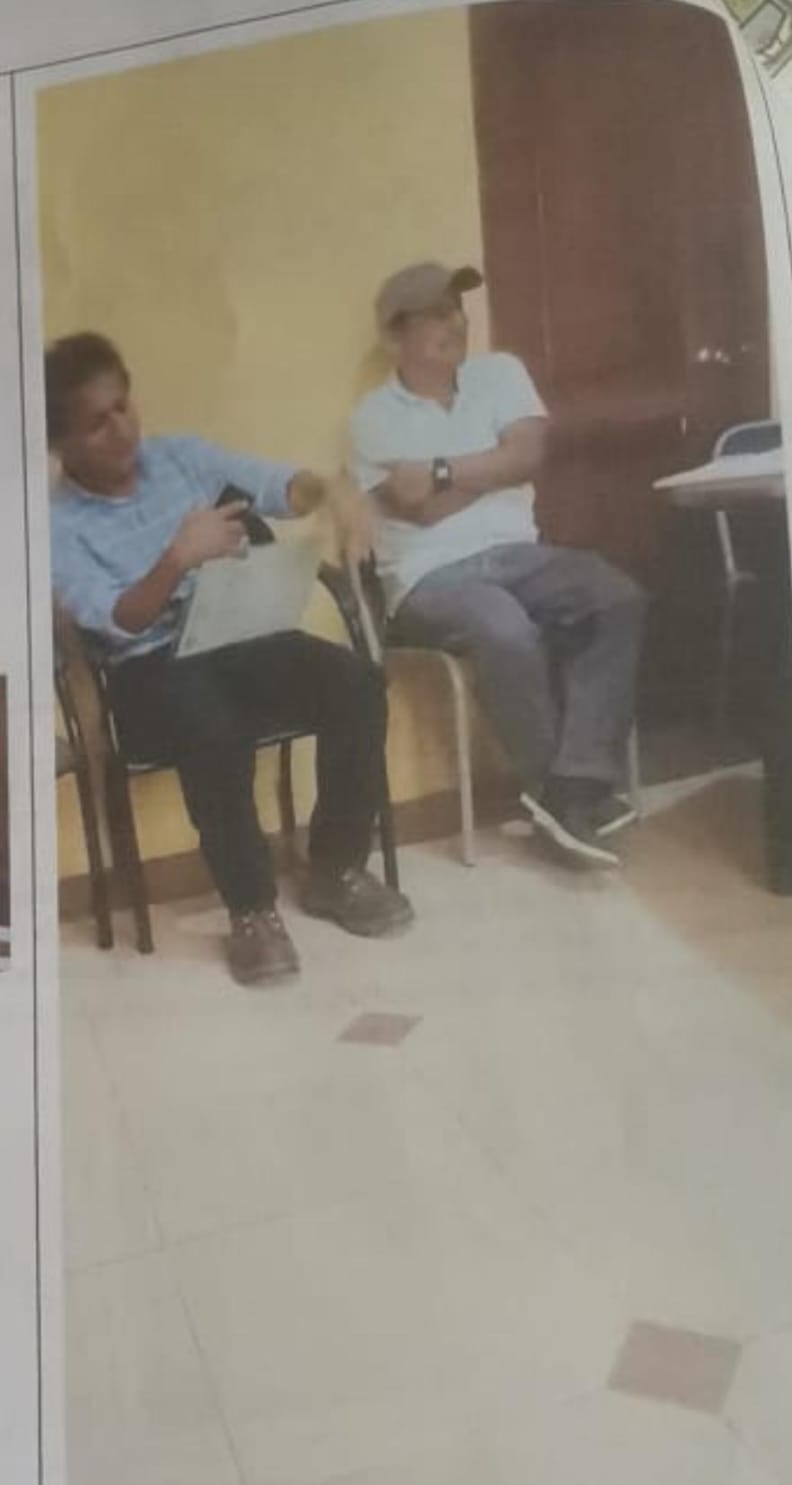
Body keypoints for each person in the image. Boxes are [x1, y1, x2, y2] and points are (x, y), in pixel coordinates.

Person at [46, 332, 412, 985]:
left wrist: (329, 491)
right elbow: (119, 619)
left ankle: (336, 869)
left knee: (354, 682)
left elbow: (277, 487)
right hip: (147, 670)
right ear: (61, 443)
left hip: (234, 638)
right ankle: (251, 911)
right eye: (97, 423)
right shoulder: (56, 525)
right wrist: (177, 558)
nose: (122, 429)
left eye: (123, 406)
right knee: (211, 722)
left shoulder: (180, 457)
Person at [349, 262, 647, 867]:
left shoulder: (500, 373)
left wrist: (440, 469)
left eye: (457, 309)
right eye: (436, 314)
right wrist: (496, 463)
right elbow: (421, 511)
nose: (456, 323)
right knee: (502, 626)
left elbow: (528, 455)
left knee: (617, 597)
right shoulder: (371, 418)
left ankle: (572, 784)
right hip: (428, 577)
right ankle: (561, 799)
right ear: (395, 335)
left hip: (520, 555)